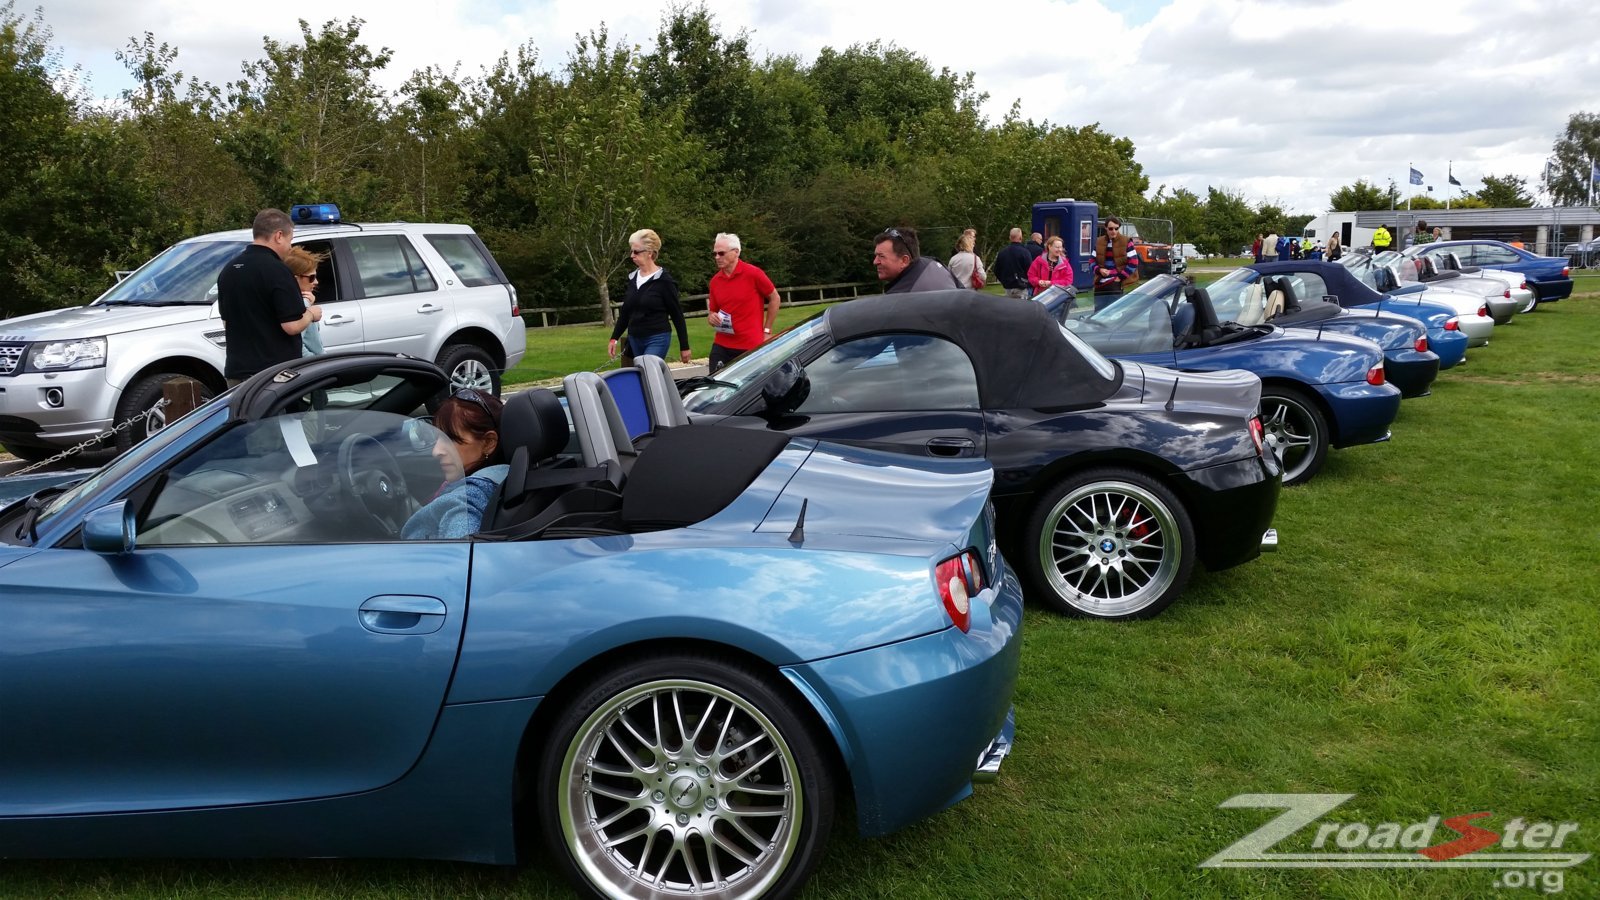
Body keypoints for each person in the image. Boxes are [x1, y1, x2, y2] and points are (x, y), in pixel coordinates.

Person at [218, 209, 323, 386]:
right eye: (290, 240)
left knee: (243, 415)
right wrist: (312, 313)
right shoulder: (277, 271)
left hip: (237, 373)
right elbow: (291, 325)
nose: (290, 247)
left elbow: (227, 322)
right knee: (280, 416)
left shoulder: (229, 270)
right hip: (274, 376)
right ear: (279, 236)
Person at [402, 389, 509, 540]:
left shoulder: (465, 500)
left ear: (488, 443)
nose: (436, 451)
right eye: (437, 438)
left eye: (450, 439)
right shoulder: (511, 477)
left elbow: (461, 551)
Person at [608, 229, 691, 365]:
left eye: (636, 251)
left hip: (657, 336)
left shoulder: (664, 280)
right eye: (631, 251)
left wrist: (684, 346)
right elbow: (626, 312)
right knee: (644, 377)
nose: (632, 255)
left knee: (647, 368)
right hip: (635, 337)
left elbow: (677, 314)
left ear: (650, 253)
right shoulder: (632, 278)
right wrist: (614, 338)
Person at [706, 233, 781, 374]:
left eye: (721, 253)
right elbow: (713, 311)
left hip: (749, 345)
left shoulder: (753, 274)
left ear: (736, 252)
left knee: (748, 390)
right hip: (722, 344)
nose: (717, 257)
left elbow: (775, 298)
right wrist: (712, 317)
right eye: (715, 254)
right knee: (714, 386)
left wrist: (767, 330)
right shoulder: (715, 281)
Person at [282, 247, 326, 357]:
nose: (316, 282)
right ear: (295, 279)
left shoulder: (284, 302)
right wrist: (317, 363)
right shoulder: (301, 306)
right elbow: (298, 348)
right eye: (311, 277)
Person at [1091, 217, 1140, 311]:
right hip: (1100, 282)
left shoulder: (1126, 241)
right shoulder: (1099, 241)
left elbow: (1133, 263)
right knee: (1098, 313)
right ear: (1106, 228)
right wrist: (1099, 270)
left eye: (1116, 228)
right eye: (1110, 228)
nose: (1114, 231)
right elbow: (1092, 260)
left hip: (1116, 283)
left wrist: (1119, 278)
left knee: (1114, 313)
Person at [993, 227, 1034, 298]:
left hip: (1007, 287)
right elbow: (1030, 270)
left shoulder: (1002, 252)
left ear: (1010, 237)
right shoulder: (1025, 252)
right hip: (1021, 287)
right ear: (1021, 238)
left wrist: (1004, 280)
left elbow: (997, 270)